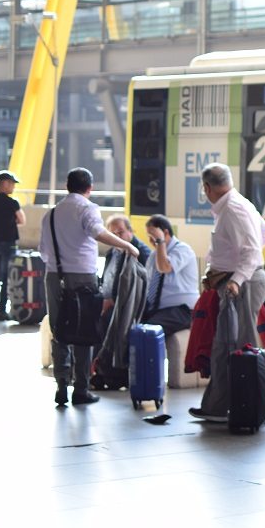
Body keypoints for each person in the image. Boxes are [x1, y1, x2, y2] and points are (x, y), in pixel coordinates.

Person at [38, 168, 140, 406]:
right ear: (90, 188)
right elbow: (97, 232)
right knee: (84, 331)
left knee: (60, 329)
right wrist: (127, 245)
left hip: (54, 277)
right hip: (83, 278)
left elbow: (43, 251)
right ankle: (81, 389)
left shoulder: (50, 215)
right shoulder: (88, 208)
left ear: (67, 186)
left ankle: (61, 385)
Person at [190, 163, 265, 423]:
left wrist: (236, 278)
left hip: (242, 285)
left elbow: (252, 251)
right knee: (232, 346)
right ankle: (234, 404)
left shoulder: (233, 210)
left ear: (206, 188)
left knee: (234, 347)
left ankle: (235, 406)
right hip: (243, 281)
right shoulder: (238, 203)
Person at [141, 214, 199, 337]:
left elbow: (164, 267)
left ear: (165, 233)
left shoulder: (183, 249)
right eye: (150, 238)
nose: (151, 242)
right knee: (128, 325)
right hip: (158, 309)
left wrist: (160, 241)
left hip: (182, 309)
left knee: (149, 331)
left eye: (153, 237)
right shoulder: (154, 255)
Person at [0, 169, 25, 321]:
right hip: (9, 244)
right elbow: (22, 220)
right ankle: (2, 310)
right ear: (5, 184)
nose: (13, 187)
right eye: (12, 184)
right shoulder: (12, 203)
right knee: (7, 277)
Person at [100, 214, 152, 319]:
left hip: (126, 306)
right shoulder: (111, 252)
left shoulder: (140, 251)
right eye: (113, 234)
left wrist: (113, 301)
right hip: (106, 300)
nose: (117, 237)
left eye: (120, 232)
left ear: (130, 231)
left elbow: (140, 287)